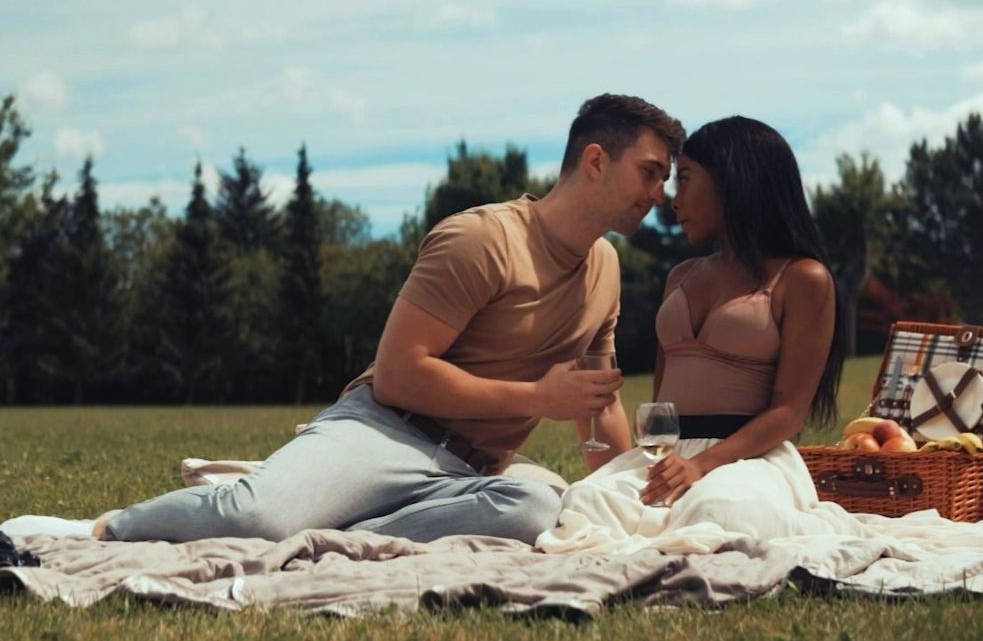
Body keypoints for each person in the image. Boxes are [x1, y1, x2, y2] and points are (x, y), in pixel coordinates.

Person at [96, 94, 686, 546]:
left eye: (664, 178)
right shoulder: (482, 239)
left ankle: (334, 532)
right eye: (650, 171)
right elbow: (399, 376)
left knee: (534, 509)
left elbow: (597, 403)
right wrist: (535, 397)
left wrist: (625, 498)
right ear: (595, 160)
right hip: (385, 432)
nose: (659, 193)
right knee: (255, 520)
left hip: (469, 477)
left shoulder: (606, 268)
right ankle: (110, 528)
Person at [537, 116, 852, 554]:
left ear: (734, 181)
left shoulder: (802, 278)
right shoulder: (681, 277)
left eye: (685, 179)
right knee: (586, 501)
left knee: (719, 510)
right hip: (671, 456)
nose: (673, 200)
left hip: (747, 457)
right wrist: (660, 461)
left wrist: (702, 465)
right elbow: (663, 402)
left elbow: (788, 412)